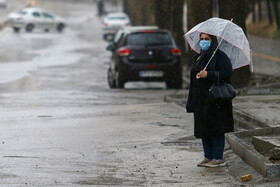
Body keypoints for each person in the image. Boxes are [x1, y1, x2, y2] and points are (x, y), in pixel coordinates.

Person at [186, 33, 234, 168]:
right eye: (201, 39)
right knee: (204, 129)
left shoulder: (220, 56)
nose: (203, 42)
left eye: (206, 39)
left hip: (216, 100)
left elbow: (226, 73)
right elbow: (193, 81)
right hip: (201, 100)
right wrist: (191, 101)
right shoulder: (200, 57)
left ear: (213, 41)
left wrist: (209, 74)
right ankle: (208, 156)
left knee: (216, 129)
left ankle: (218, 157)